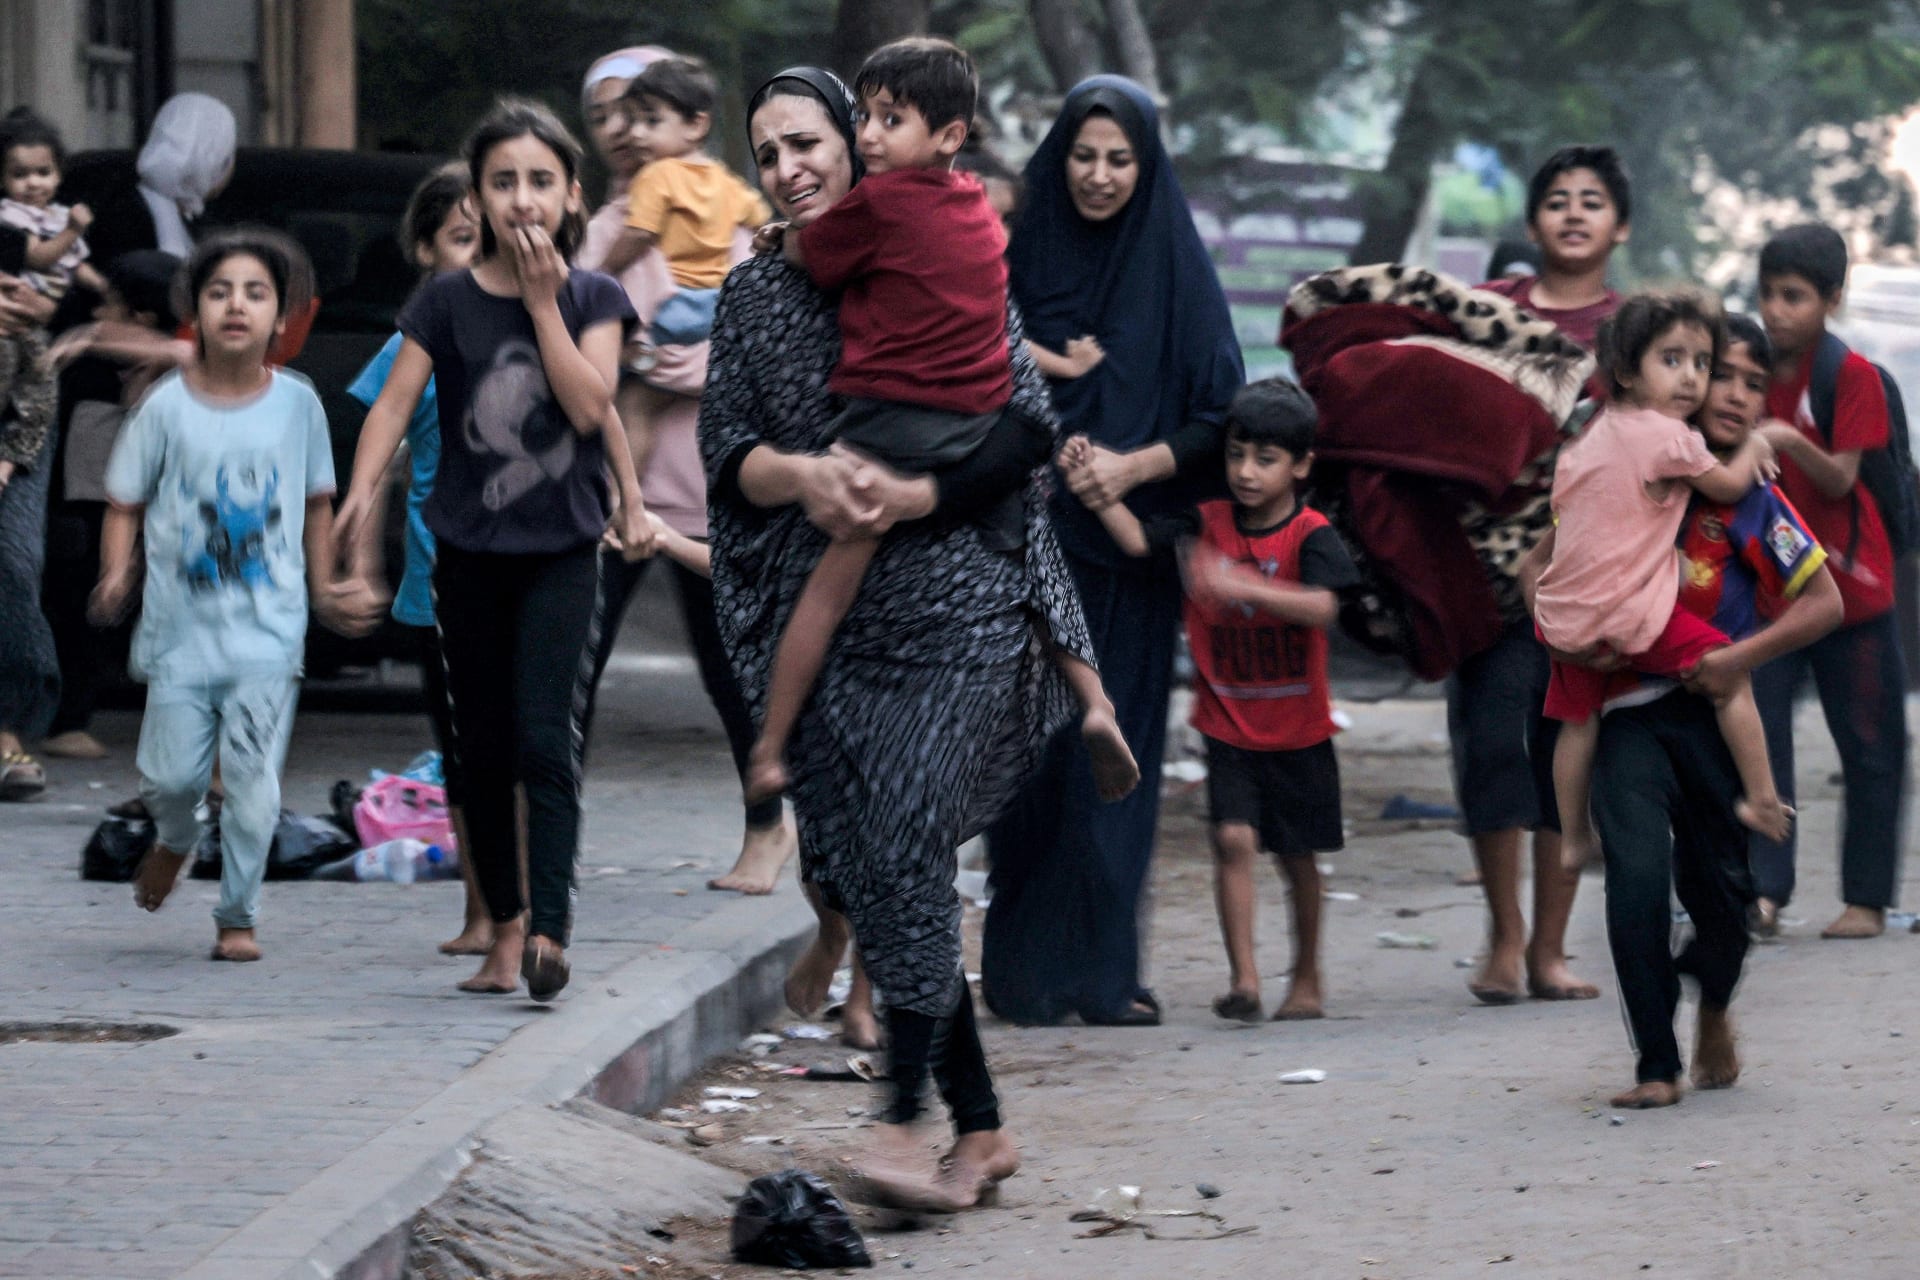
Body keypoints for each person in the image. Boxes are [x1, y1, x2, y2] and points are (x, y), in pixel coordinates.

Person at [703, 65, 1095, 1210]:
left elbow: (1029, 425)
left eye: (810, 141)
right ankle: (980, 1131)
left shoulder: (947, 250)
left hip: (955, 606)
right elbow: (727, 456)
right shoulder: (755, 295)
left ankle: (899, 1121)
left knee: (909, 840)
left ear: (864, 143)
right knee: (888, 874)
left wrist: (920, 497)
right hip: (822, 624)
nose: (793, 168)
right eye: (768, 152)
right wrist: (804, 473)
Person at [745, 37, 1137, 809]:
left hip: (894, 425)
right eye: (866, 116)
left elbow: (815, 258)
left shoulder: (880, 202)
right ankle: (1096, 703)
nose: (870, 137)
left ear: (951, 136)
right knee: (1037, 566)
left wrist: (777, 241)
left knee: (825, 590)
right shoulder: (976, 208)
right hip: (981, 418)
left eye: (891, 121)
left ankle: (766, 747)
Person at [335, 99, 647, 1001]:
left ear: (571, 195)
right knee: (482, 752)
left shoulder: (595, 298)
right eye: (503, 182)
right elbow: (393, 404)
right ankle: (502, 931)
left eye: (540, 181)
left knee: (548, 742)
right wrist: (362, 488)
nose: (522, 199)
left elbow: (590, 409)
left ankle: (550, 927)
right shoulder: (446, 299)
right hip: (464, 551)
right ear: (477, 197)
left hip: (560, 551)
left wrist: (544, 304)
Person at [984, 75, 1245, 1028]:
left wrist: (1130, 468)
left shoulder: (1174, 267)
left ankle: (1101, 973)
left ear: (1146, 165)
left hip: (1126, 564)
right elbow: (973, 375)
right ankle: (1018, 974)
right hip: (1016, 554)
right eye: (1084, 156)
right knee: (1029, 769)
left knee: (1112, 763)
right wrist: (1049, 454)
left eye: (1119, 159)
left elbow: (1222, 410)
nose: (1098, 176)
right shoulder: (1013, 255)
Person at [1571, 312, 1843, 1108]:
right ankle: (1656, 1064)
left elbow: (1822, 605)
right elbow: (1540, 565)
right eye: (1719, 373)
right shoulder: (1633, 467)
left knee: (1724, 902)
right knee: (1638, 879)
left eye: (1754, 383)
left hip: (1716, 717)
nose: (1732, 393)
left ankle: (1715, 1002)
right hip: (1628, 715)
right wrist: (1579, 637)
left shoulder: (1754, 501)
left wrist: (1736, 659)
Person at [88, 229, 377, 959]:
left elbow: (316, 502)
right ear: (196, 311)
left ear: (282, 317)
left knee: (252, 782)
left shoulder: (299, 405)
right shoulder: (163, 408)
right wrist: (117, 572)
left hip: (268, 634)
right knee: (171, 779)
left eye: (255, 293)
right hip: (179, 634)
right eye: (220, 292)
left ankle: (237, 915)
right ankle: (176, 836)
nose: (236, 306)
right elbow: (124, 500)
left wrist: (323, 589)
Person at [572, 45, 801, 903]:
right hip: (608, 495)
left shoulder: (729, 216)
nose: (625, 131)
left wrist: (663, 366)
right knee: (573, 669)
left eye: (641, 111)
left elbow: (758, 348)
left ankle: (766, 833)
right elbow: (569, 338)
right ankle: (548, 844)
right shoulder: (606, 228)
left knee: (731, 671)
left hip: (710, 493)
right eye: (607, 118)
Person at [1078, 379, 1358, 1022]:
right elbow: (1136, 540)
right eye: (1236, 455)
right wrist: (1095, 487)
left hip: (1299, 730)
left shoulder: (1311, 534)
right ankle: (1246, 981)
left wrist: (1243, 587)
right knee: (1232, 840)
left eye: (1265, 459)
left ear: (1301, 465)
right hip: (1227, 725)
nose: (1246, 472)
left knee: (1296, 857)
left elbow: (1322, 606)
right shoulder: (1205, 522)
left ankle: (1307, 976)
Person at [1445, 144, 1632, 1005]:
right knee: (1489, 749)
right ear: (1531, 223)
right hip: (1485, 575)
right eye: (1557, 200)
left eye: (1592, 201)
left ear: (1619, 226)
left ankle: (1551, 950)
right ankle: (1503, 937)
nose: (1573, 213)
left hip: (1590, 580)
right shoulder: (1483, 312)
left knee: (1566, 758)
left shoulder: (1637, 332)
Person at [1534, 290, 1790, 870]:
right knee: (1731, 677)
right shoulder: (1668, 437)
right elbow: (1726, 485)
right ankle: (1762, 798)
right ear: (1626, 370)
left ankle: (1573, 838)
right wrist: (1756, 442)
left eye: (1702, 364)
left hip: (1565, 617)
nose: (1692, 380)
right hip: (1628, 617)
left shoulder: (1589, 436)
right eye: (1672, 361)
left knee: (1576, 724)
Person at [1749, 223, 1911, 940]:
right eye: (1768, 295)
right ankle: (1764, 891)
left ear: (1832, 300)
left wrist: (1785, 439)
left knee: (1873, 746)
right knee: (1758, 746)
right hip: (1769, 595)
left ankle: (1866, 901)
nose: (1777, 310)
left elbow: (1844, 474)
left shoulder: (1852, 377)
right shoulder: (1743, 374)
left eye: (1795, 296)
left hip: (1852, 593)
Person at [343, 163, 489, 955]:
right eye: (461, 239)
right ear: (427, 251)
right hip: (439, 580)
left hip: (523, 571)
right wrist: (362, 563)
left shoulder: (537, 327)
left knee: (524, 744)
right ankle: (478, 906)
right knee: (461, 746)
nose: (477, 254)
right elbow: (385, 457)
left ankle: (526, 902)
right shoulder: (413, 345)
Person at [39, 248, 182, 762]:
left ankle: (74, 712)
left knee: (91, 610)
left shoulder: (156, 359)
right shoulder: (91, 359)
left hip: (115, 503)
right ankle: (67, 717)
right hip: (84, 503)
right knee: (74, 606)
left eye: (111, 305)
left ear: (140, 316)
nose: (98, 315)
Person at [594, 54, 769, 341]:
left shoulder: (655, 175)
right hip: (716, 303)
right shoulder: (728, 182)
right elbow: (761, 223)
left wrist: (604, 269)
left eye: (651, 121)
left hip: (670, 304)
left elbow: (639, 233)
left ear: (696, 125)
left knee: (616, 345)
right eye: (633, 120)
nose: (636, 133)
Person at [0, 108, 106, 299]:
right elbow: (36, 259)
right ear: (2, 179)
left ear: (58, 175)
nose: (33, 183)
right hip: (24, 301)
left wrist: (104, 287)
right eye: (19, 174)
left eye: (43, 172)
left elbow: (74, 264)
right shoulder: (11, 214)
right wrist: (72, 231)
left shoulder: (60, 215)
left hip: (58, 304)